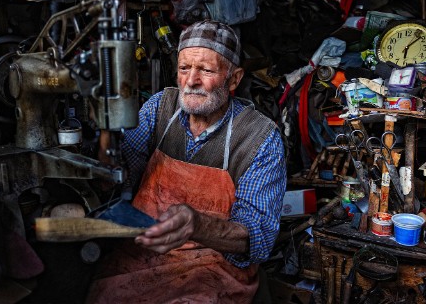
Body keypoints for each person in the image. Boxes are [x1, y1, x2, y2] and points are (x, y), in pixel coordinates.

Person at [86, 20, 287, 303]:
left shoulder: (258, 138)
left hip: (213, 267)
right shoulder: (159, 108)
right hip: (142, 255)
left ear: (233, 79)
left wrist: (197, 226)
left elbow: (257, 239)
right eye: (184, 69)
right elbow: (117, 178)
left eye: (205, 70)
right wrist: (107, 131)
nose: (191, 81)